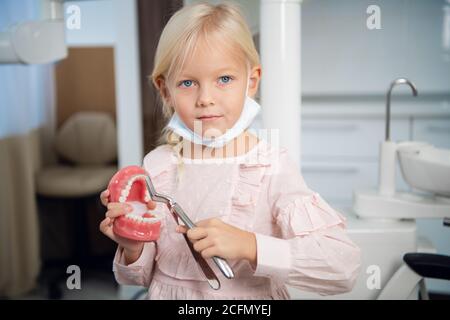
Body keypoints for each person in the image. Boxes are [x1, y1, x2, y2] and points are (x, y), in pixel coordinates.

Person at [99, 1, 361, 300]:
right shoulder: (157, 166)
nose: (205, 98)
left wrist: (250, 245)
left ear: (251, 82)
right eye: (187, 83)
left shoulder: (269, 166)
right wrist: (132, 245)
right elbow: (140, 276)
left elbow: (342, 268)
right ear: (165, 90)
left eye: (224, 79)